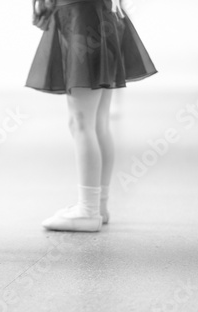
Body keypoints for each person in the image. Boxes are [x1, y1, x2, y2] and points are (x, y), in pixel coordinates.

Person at [26, 0, 157, 232]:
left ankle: (88, 210)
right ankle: (98, 205)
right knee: (98, 122)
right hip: (104, 13)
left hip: (81, 17)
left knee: (81, 123)